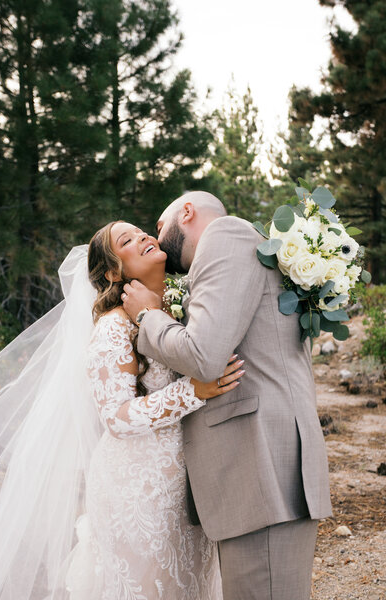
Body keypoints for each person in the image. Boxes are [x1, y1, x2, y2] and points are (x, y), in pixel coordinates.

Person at [0, 221, 243, 599]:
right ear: (112, 273)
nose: (143, 236)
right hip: (137, 489)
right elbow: (117, 417)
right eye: (127, 239)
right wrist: (194, 391)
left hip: (186, 486)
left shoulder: (178, 310)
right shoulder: (113, 327)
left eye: (142, 231)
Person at [122, 191, 333, 600]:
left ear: (186, 212)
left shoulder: (226, 236)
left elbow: (203, 356)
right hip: (257, 471)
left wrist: (148, 317)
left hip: (261, 468)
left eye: (158, 227)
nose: (155, 237)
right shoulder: (244, 247)